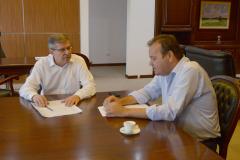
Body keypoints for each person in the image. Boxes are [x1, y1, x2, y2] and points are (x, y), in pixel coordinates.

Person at [103, 34, 220, 142]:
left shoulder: (190, 70)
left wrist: (124, 112)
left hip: (200, 141)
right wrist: (121, 102)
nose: (150, 63)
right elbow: (147, 92)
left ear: (169, 56)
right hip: (177, 133)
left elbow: (170, 111)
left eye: (154, 58)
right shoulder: (165, 72)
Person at [20, 34, 96, 107]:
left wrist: (78, 96)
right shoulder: (42, 64)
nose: (68, 52)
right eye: (62, 49)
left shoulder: (78, 61)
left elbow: (90, 85)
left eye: (69, 48)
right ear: (52, 51)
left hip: (72, 104)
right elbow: (25, 88)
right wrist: (34, 96)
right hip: (49, 104)